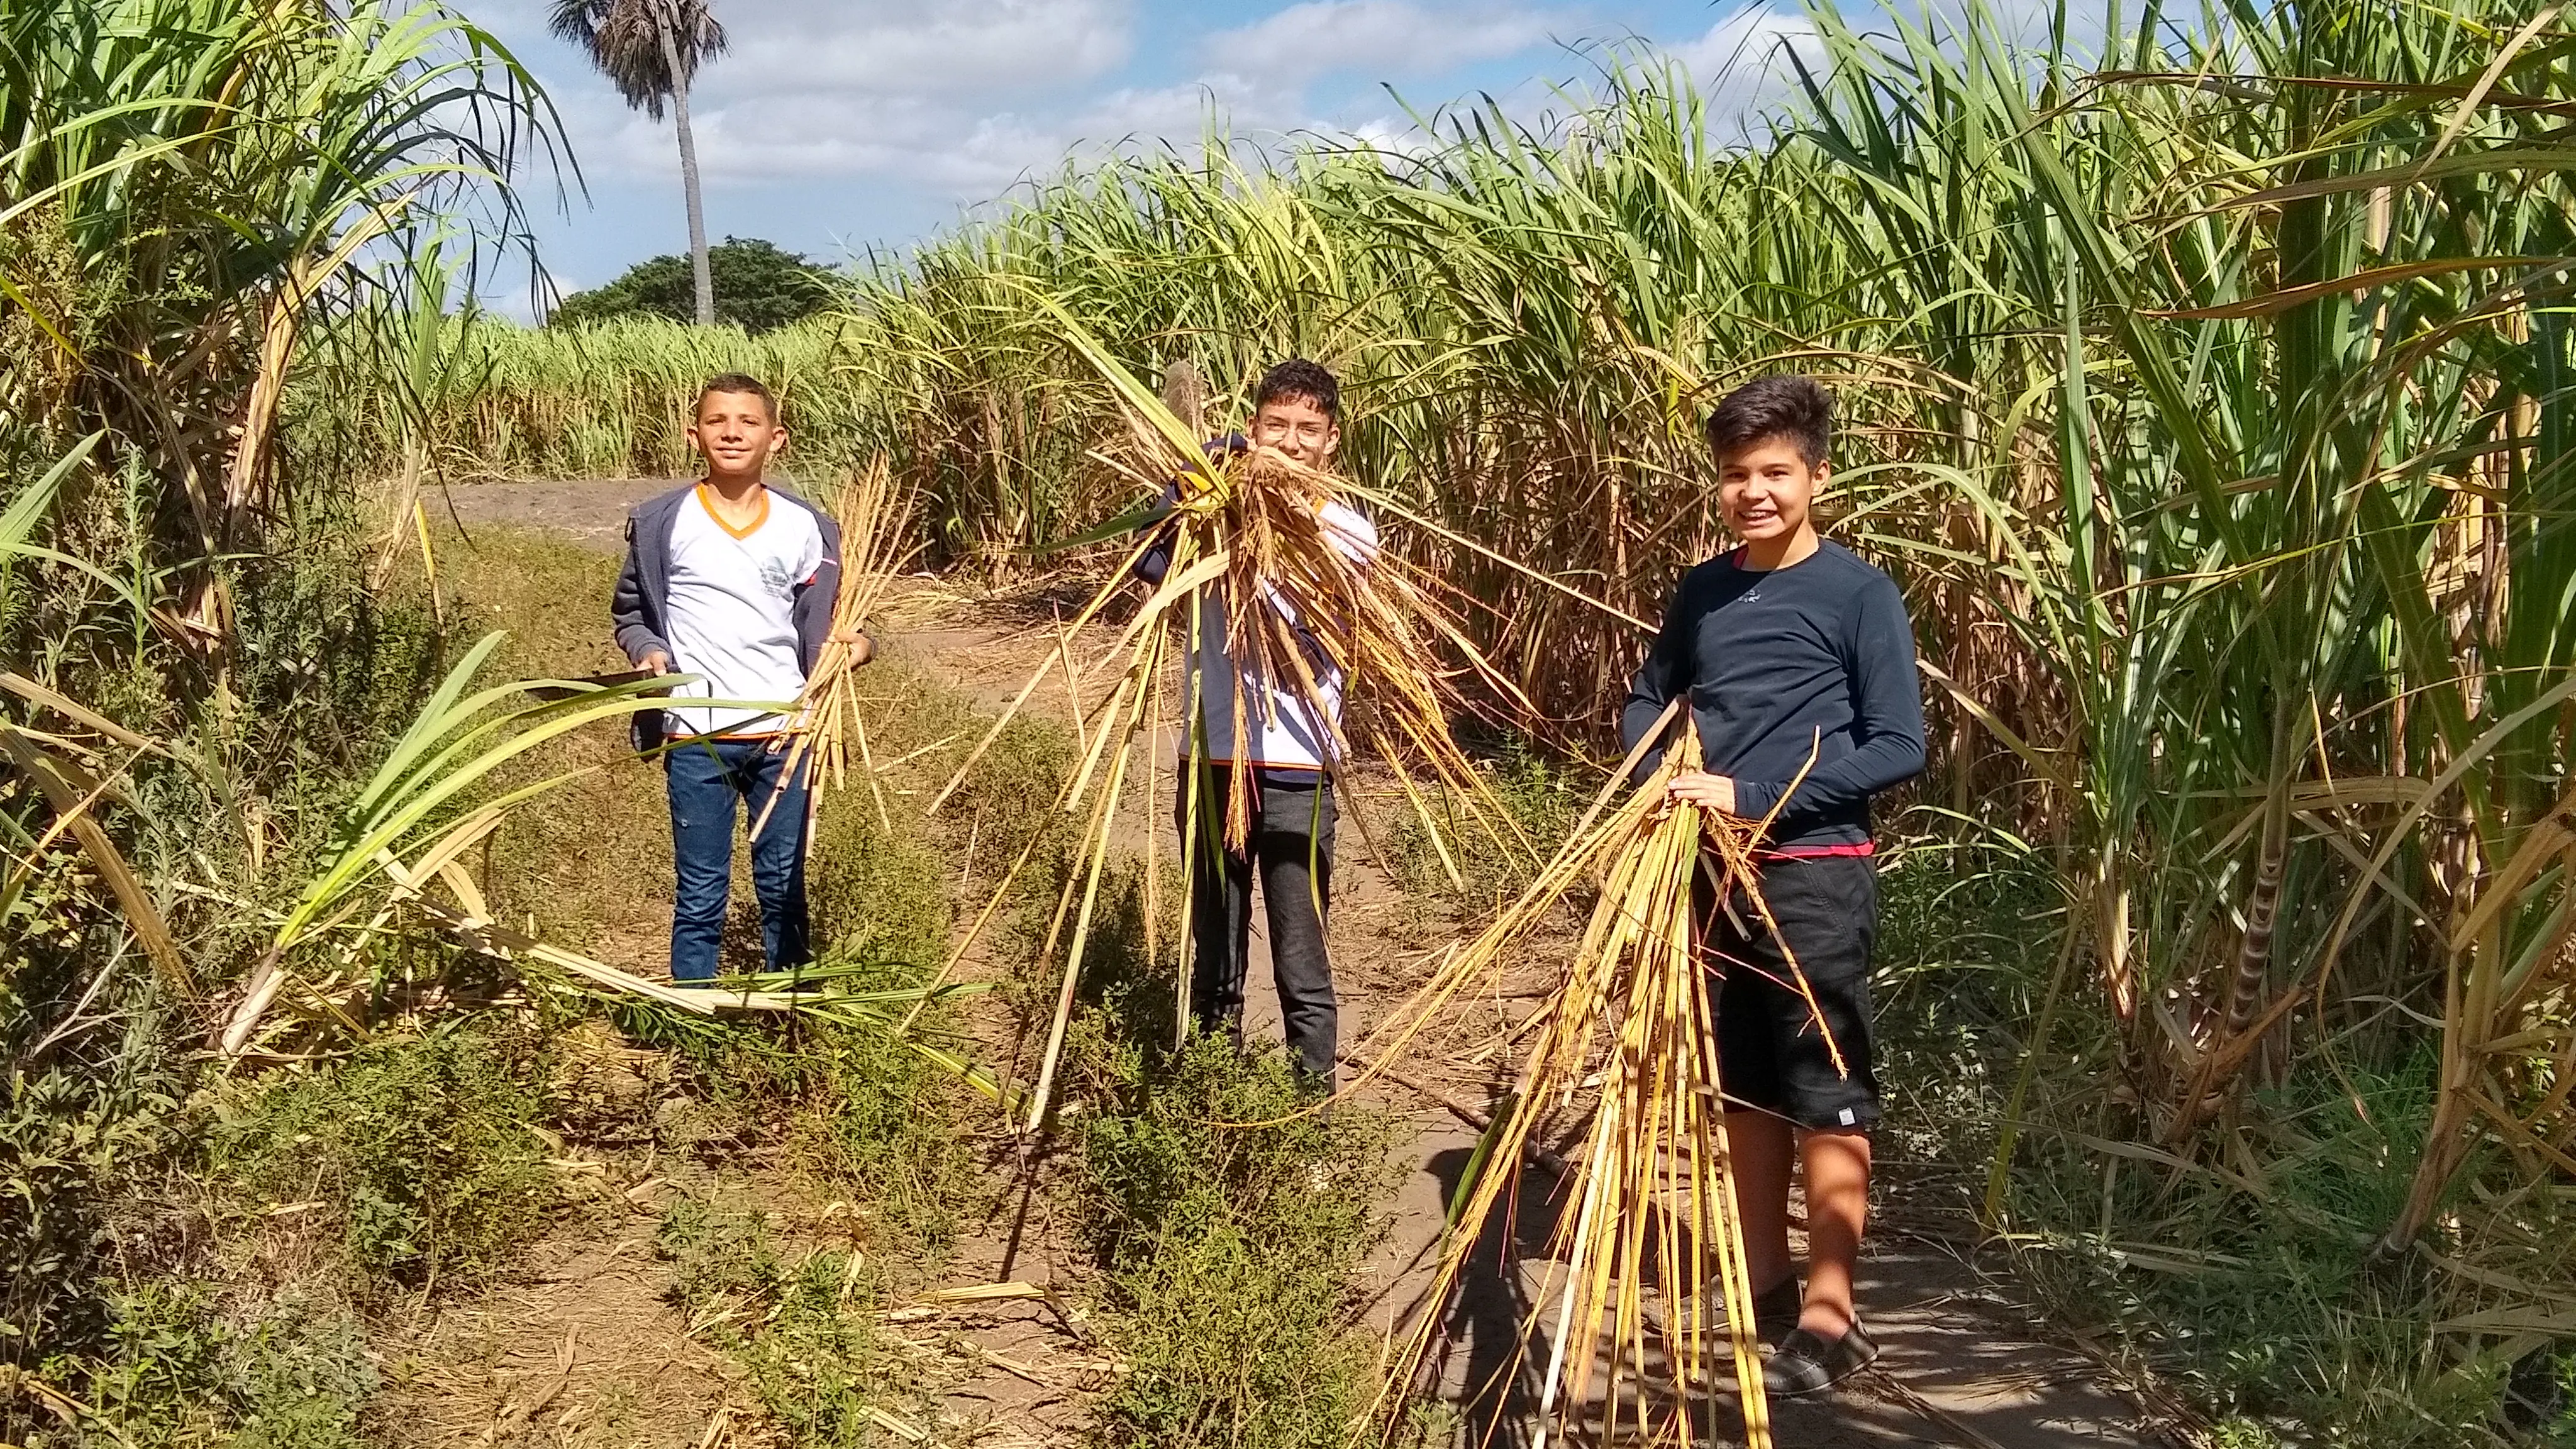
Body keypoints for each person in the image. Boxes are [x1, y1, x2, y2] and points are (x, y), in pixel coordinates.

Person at [1619, 375, 1926, 1396]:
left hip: (1813, 872)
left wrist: (1750, 790)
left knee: (1824, 1086)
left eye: (1774, 472)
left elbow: (1897, 744)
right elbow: (1650, 697)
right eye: (1736, 474)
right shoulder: (1702, 590)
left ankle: (1831, 1315)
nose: (1753, 490)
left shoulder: (1858, 594)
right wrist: (1653, 769)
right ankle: (1763, 1288)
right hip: (1708, 874)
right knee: (1741, 1082)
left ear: (1816, 477)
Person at [1137, 358, 1378, 1088]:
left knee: (1301, 956)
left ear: (1332, 440)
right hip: (1213, 759)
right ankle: (1211, 1098)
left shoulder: (1347, 531)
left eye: (1309, 429)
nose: (1292, 441)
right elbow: (1148, 569)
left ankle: (1309, 1119)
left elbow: (1329, 637)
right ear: (1253, 430)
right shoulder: (1209, 514)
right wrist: (1184, 498)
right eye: (1276, 426)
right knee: (1215, 947)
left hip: (1299, 769)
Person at [609, 373, 870, 984]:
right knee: (700, 891)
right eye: (717, 420)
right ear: (692, 433)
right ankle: (695, 1016)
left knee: (783, 887)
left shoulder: (808, 527)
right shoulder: (661, 522)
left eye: (748, 422)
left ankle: (789, 1015)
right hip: (697, 736)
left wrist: (857, 646)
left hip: (787, 734)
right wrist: (647, 651)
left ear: (776, 439)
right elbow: (631, 613)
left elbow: (835, 619)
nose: (732, 432)